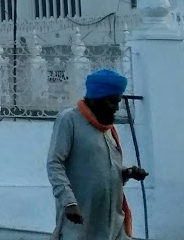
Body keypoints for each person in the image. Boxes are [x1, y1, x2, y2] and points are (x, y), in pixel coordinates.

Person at [46, 67, 148, 240]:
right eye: (112, 102)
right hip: (81, 218)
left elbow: (104, 169)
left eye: (118, 102)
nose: (116, 108)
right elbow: (55, 163)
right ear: (95, 100)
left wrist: (127, 173)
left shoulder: (107, 129)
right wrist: (69, 202)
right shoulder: (69, 120)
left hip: (112, 222)